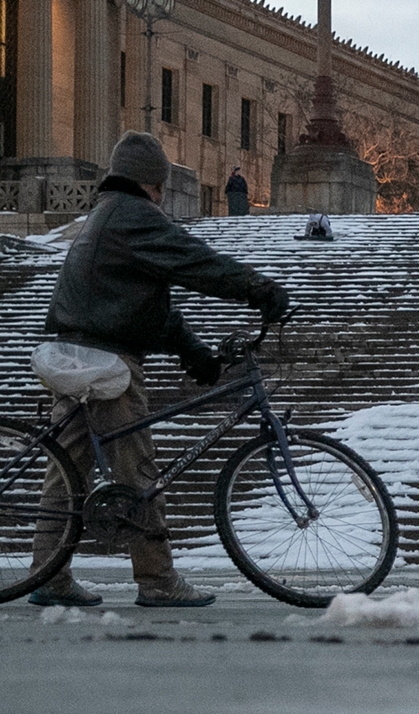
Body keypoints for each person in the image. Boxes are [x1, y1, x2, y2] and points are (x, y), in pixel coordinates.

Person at [29, 131, 290, 608]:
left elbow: (148, 307)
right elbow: (194, 262)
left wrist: (195, 355)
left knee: (65, 474)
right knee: (139, 472)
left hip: (70, 354)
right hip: (108, 364)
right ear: (153, 184)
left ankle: (49, 576)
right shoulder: (135, 216)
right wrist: (259, 289)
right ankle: (158, 581)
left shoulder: (104, 215)